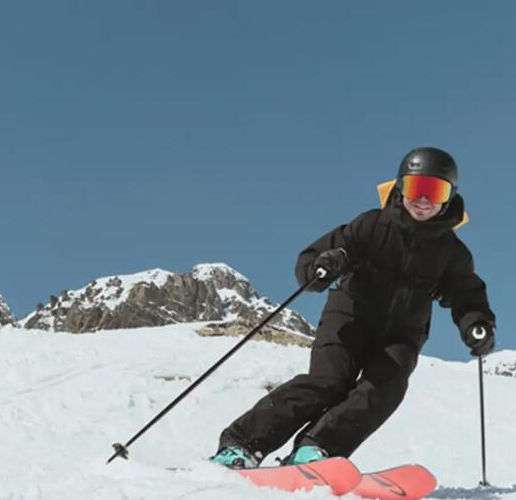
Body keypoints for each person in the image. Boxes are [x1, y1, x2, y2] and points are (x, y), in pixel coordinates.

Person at [212, 147, 495, 468]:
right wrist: (326, 264)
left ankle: (317, 449)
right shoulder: (371, 225)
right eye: (416, 188)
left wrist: (476, 323)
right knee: (328, 381)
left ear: (450, 196)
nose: (423, 200)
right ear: (400, 186)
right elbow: (322, 255)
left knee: (385, 388)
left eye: (435, 191)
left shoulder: (453, 253)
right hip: (350, 318)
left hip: (402, 335)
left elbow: (465, 294)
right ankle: (242, 444)